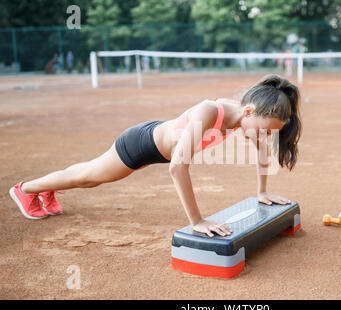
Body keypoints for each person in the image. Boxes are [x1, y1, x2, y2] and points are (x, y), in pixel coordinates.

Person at [9, 74, 302, 238]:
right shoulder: (211, 111)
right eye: (265, 130)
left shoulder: (245, 119)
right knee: (87, 178)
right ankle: (25, 189)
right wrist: (197, 221)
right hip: (141, 144)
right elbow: (177, 168)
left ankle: (47, 189)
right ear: (250, 111)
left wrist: (263, 191)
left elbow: (262, 149)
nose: (266, 137)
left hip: (158, 145)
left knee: (87, 176)